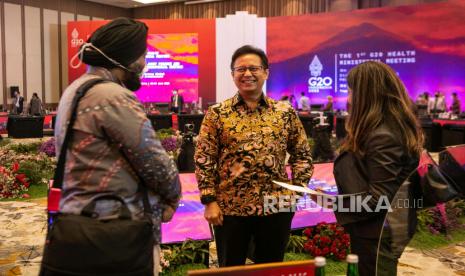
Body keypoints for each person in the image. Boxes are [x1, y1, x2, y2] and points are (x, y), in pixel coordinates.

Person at [43, 18, 181, 275]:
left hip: (77, 226)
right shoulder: (113, 96)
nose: (144, 64)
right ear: (126, 58)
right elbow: (156, 164)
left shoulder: (74, 89)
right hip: (117, 232)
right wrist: (173, 197)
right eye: (143, 56)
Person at [195, 45, 313, 267]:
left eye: (253, 68)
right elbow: (204, 159)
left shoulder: (284, 112)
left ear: (266, 72)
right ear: (232, 75)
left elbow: (302, 155)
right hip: (230, 208)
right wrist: (209, 200)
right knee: (231, 269)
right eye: (240, 69)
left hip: (276, 207)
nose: (247, 74)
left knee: (270, 268)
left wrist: (296, 193)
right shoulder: (217, 114)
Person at [330, 61, 423, 276]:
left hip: (378, 231)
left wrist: (333, 203)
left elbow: (378, 200)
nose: (349, 98)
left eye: (351, 91)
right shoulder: (384, 129)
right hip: (376, 227)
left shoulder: (383, 136)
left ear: (366, 94)